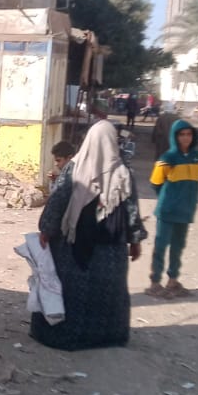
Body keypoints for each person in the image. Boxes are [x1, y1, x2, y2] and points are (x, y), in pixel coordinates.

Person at [30, 119, 147, 351]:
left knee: (69, 291)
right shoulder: (122, 171)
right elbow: (131, 209)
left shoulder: (75, 168)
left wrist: (46, 229)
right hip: (109, 248)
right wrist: (135, 241)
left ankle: (63, 336)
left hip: (72, 246)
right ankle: (104, 337)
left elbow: (57, 201)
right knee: (106, 292)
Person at [147, 118, 198, 298]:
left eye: (189, 134)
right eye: (181, 134)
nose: (186, 138)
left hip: (185, 211)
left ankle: (172, 281)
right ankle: (155, 283)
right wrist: (169, 199)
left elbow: (194, 185)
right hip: (167, 211)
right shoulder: (167, 158)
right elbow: (155, 183)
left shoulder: (196, 158)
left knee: (178, 247)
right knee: (161, 246)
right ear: (174, 137)